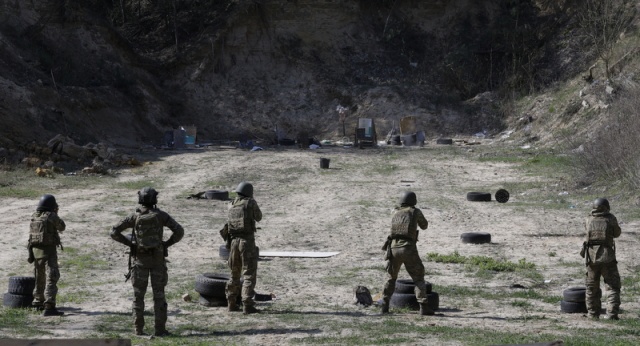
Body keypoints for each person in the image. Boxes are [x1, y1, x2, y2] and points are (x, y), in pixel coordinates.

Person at [111, 187, 184, 336]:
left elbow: (114, 232)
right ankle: (160, 330)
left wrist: (130, 244)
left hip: (139, 262)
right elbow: (179, 231)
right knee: (159, 296)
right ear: (154, 200)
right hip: (157, 261)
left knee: (138, 297)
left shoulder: (134, 217)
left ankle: (138, 329)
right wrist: (166, 244)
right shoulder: (162, 215)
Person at [380, 191, 432, 316]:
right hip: (408, 248)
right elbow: (424, 225)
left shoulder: (394, 212)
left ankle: (384, 305)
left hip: (393, 248)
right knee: (418, 277)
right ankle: (424, 306)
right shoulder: (415, 211)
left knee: (391, 278)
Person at [225, 182, 262, 314]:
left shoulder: (231, 204)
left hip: (233, 242)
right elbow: (259, 217)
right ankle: (247, 304)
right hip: (246, 242)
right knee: (249, 274)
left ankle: (231, 303)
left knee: (234, 274)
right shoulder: (250, 202)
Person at [581, 197, 621, 320]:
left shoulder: (588, 219)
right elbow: (617, 233)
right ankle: (612, 314)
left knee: (592, 287)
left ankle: (593, 314)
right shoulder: (610, 219)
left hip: (592, 257)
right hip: (607, 257)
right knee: (613, 286)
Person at [28, 194, 66, 316]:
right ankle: (49, 305)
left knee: (39, 275)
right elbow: (62, 227)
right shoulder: (51, 216)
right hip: (49, 250)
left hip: (35, 250)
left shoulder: (34, 216)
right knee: (52, 276)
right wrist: (56, 213)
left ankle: (38, 301)